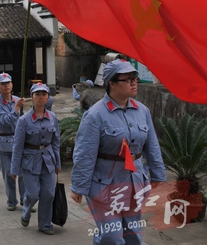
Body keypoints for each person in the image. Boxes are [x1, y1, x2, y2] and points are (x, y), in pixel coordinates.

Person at [70, 59, 166, 245]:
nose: (133, 82)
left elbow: (152, 146)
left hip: (133, 181)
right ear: (111, 84)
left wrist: (157, 175)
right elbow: (84, 153)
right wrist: (79, 186)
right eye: (127, 79)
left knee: (132, 234)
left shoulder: (142, 111)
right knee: (111, 236)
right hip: (104, 183)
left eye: (134, 78)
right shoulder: (96, 115)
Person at [11, 83, 61, 235]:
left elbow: (56, 142)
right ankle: (26, 210)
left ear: (48, 97)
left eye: (44, 94)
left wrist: (58, 162)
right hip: (30, 161)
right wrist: (14, 169)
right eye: (37, 94)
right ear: (31, 97)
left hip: (48, 160)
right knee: (33, 194)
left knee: (49, 193)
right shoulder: (24, 120)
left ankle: (45, 224)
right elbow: (18, 146)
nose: (41, 97)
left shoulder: (52, 117)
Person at [0, 72, 26, 211]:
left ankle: (25, 200)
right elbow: (6, 121)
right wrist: (17, 108)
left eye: (8, 83)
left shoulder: (17, 99)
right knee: (8, 174)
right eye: (3, 84)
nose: (6, 86)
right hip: (4, 141)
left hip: (19, 141)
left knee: (23, 174)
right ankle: (11, 201)